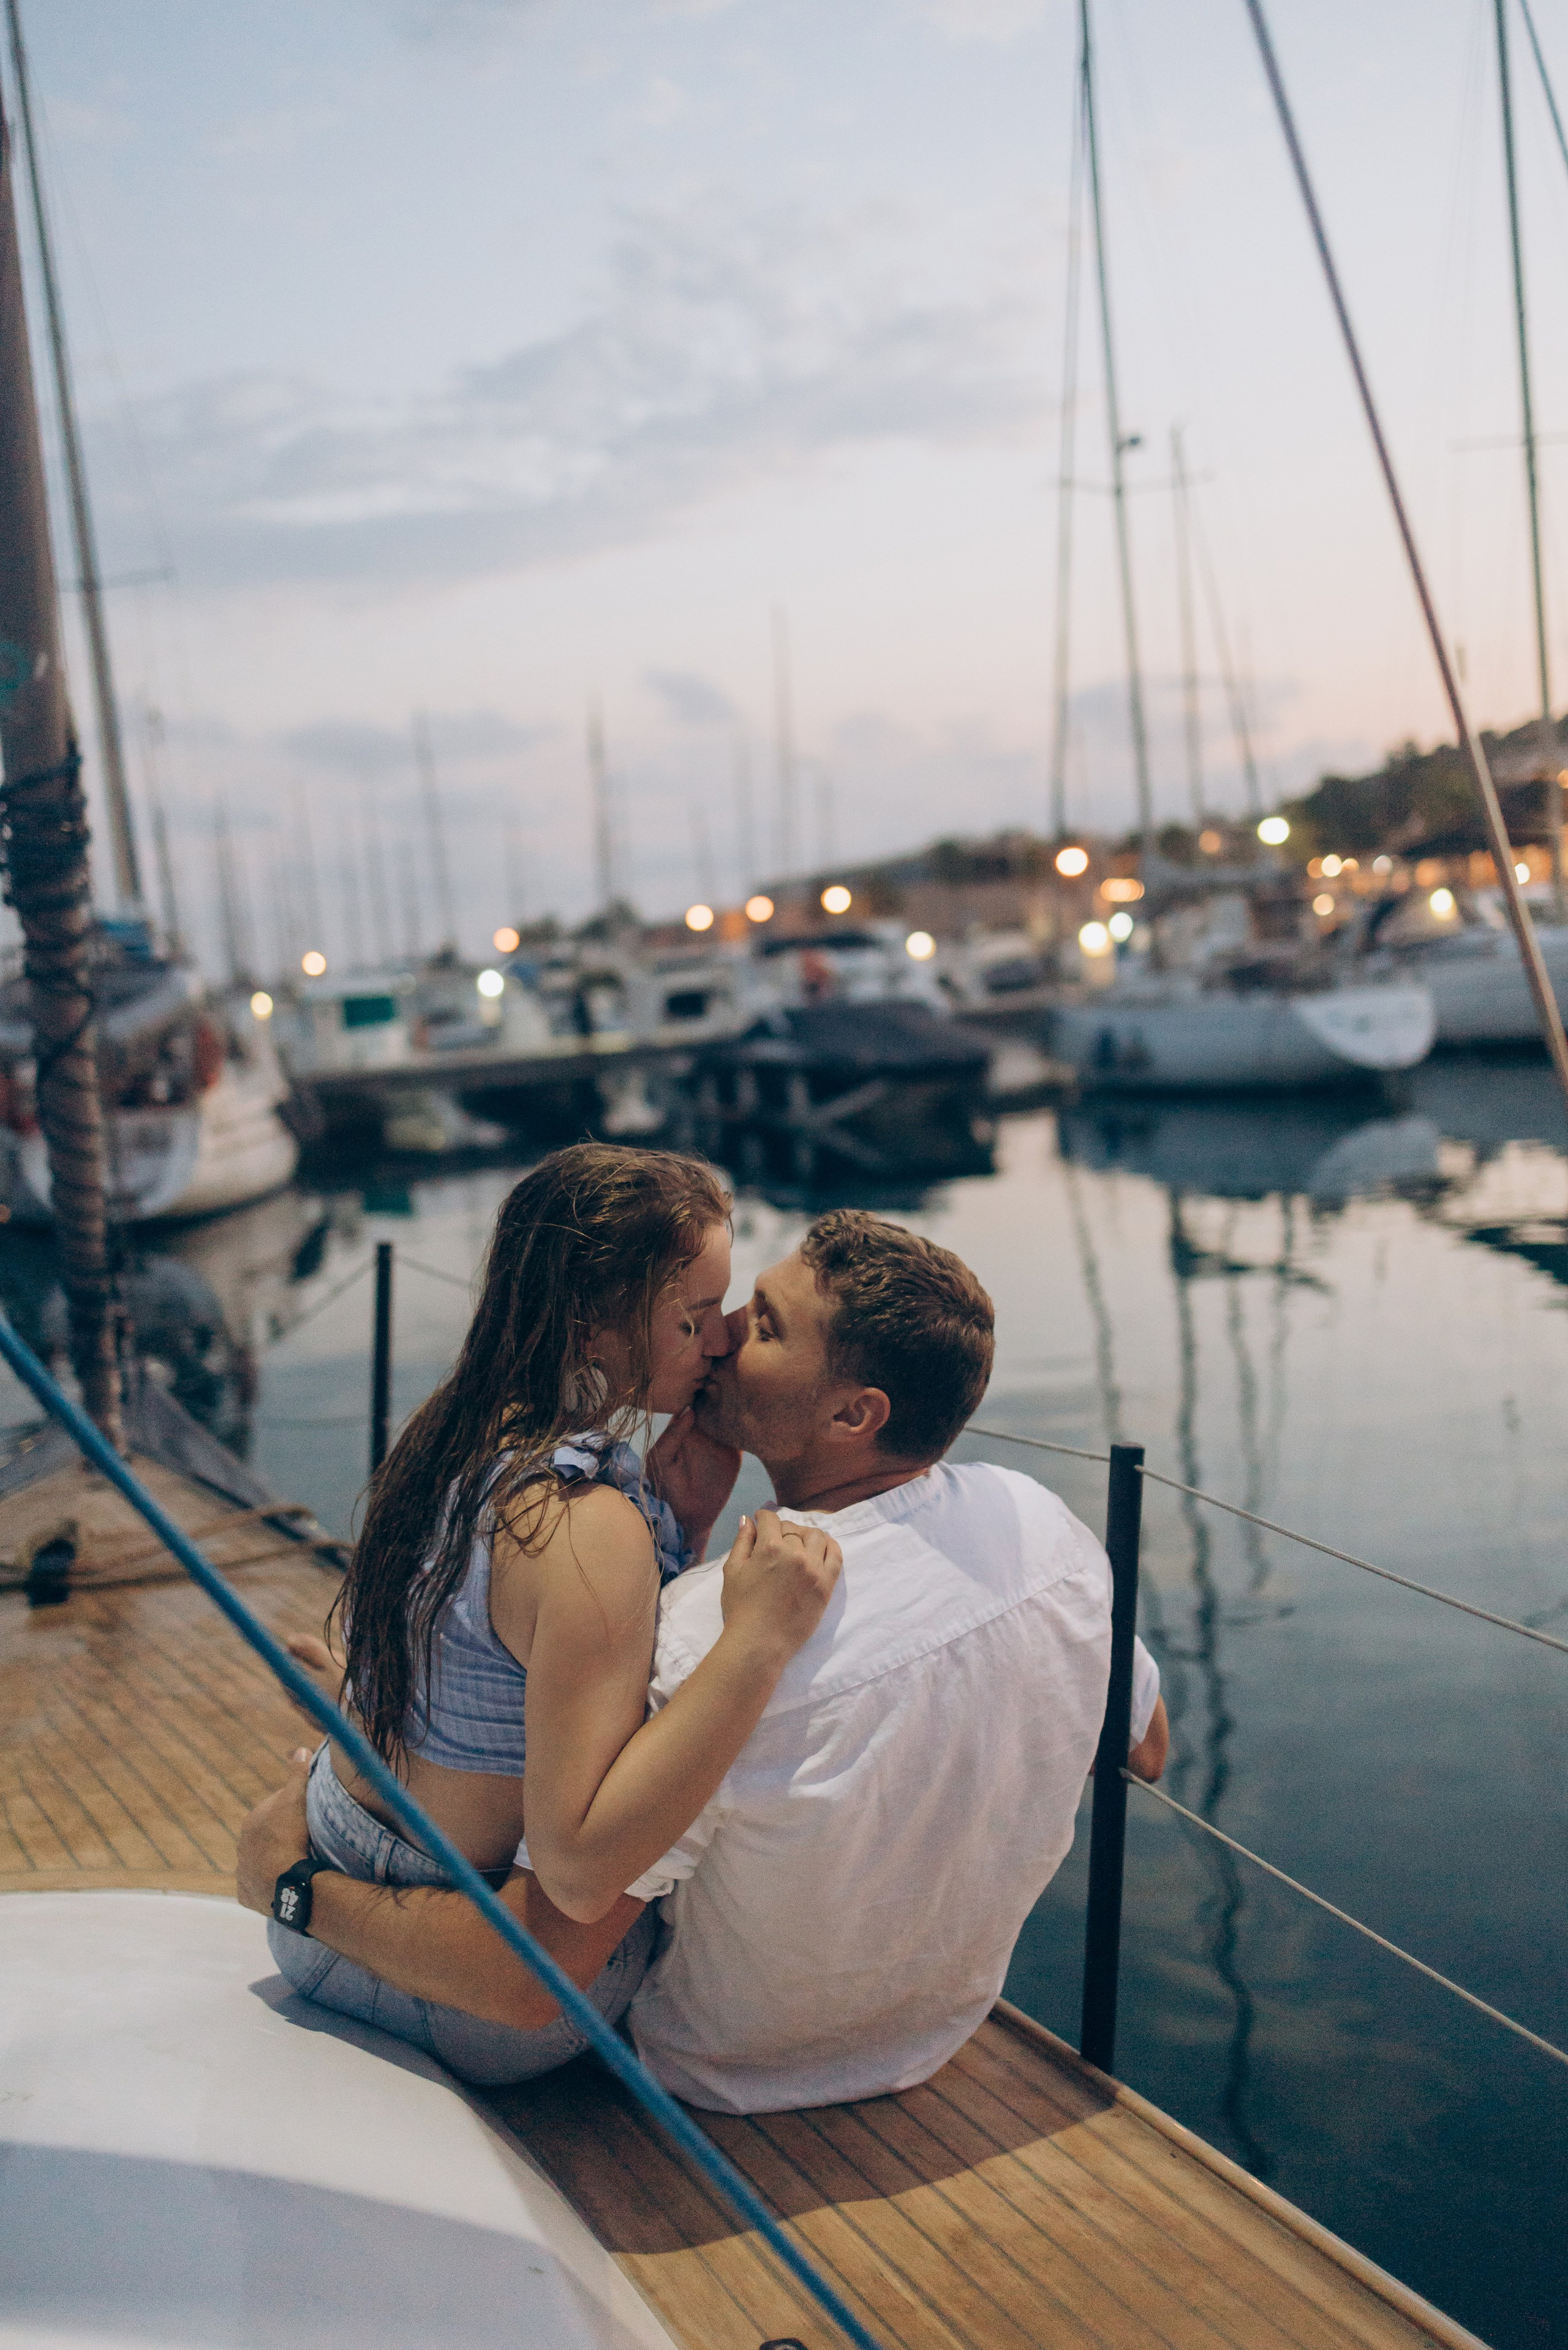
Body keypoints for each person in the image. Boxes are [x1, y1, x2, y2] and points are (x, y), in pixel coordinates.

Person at [241, 1209, 1166, 2114]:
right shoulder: (1041, 1527)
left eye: (764, 1325)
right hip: (924, 2039)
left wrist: (297, 1887)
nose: (720, 1338)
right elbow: (1144, 1740)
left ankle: (359, 1750)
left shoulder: (713, 1635)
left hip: (707, 2066)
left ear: (854, 1411)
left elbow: (528, 1979)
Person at [265, 1142, 841, 2085]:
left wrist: (676, 1535)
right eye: (693, 1320)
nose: (723, 1342)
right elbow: (575, 1874)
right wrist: (757, 1638)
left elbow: (498, 1643)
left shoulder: (453, 1431)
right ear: (590, 1327)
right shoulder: (587, 1527)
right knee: (677, 1879)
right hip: (461, 1988)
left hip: (328, 1865)